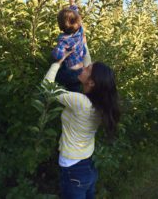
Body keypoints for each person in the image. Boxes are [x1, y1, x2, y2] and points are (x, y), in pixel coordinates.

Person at [43, 48, 120, 199]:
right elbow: (89, 64)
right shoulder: (100, 104)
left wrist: (57, 63)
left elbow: (47, 87)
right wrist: (82, 45)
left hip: (73, 169)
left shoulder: (80, 102)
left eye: (87, 68)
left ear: (91, 82)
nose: (83, 67)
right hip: (87, 165)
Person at [52, 0, 87, 92]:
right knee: (75, 88)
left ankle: (58, 96)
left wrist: (54, 50)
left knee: (57, 80)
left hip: (69, 72)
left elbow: (57, 56)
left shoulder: (63, 40)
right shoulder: (79, 29)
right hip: (80, 69)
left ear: (61, 26)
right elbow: (74, 9)